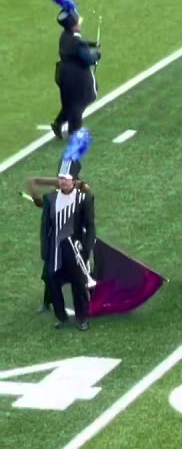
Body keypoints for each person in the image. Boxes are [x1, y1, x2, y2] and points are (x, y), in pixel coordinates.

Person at [41, 130, 96, 331]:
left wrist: (87, 248)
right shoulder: (50, 199)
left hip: (75, 247)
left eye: (67, 178)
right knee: (53, 283)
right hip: (56, 248)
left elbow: (90, 225)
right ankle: (61, 316)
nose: (63, 181)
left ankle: (82, 318)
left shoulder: (84, 199)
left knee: (78, 284)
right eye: (61, 178)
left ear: (74, 179)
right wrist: (45, 251)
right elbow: (45, 226)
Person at [49, 0, 100, 139]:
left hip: (64, 74)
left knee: (70, 102)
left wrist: (91, 45)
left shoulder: (65, 36)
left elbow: (79, 44)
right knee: (80, 102)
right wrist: (97, 55)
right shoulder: (77, 42)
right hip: (77, 77)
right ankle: (74, 133)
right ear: (74, 25)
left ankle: (58, 123)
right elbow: (88, 58)